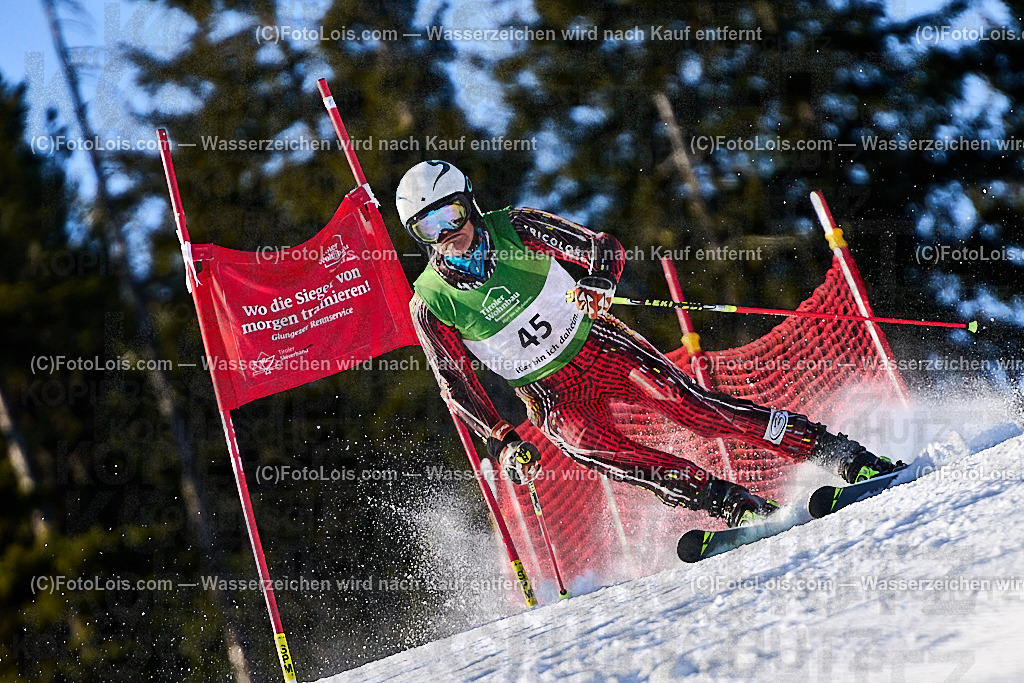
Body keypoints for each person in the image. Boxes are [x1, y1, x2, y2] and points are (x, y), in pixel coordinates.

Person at [398, 160, 902, 528]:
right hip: (548, 396)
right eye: (429, 226)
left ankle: (836, 452)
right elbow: (455, 382)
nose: (448, 233)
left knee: (692, 409)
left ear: (472, 205)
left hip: (598, 347)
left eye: (454, 214)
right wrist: (504, 441)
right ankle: (729, 503)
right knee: (604, 453)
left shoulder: (517, 227)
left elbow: (602, 248)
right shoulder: (429, 302)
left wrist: (599, 281)